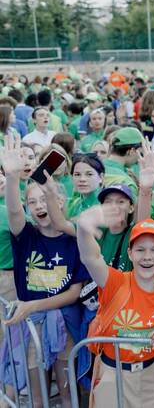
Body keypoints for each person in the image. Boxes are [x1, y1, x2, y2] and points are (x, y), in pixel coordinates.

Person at [0, 134, 87, 408]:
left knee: (68, 395)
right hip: (31, 327)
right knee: (38, 400)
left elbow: (74, 293)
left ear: (60, 201)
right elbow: (14, 212)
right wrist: (12, 177)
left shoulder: (75, 239)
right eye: (32, 202)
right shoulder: (25, 235)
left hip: (65, 325)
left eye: (44, 199)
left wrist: (33, 305)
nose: (39, 206)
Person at [76, 210, 154, 408]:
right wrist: (83, 229)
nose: (147, 257)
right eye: (140, 250)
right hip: (112, 374)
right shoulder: (115, 282)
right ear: (130, 253)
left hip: (151, 375)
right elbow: (91, 257)